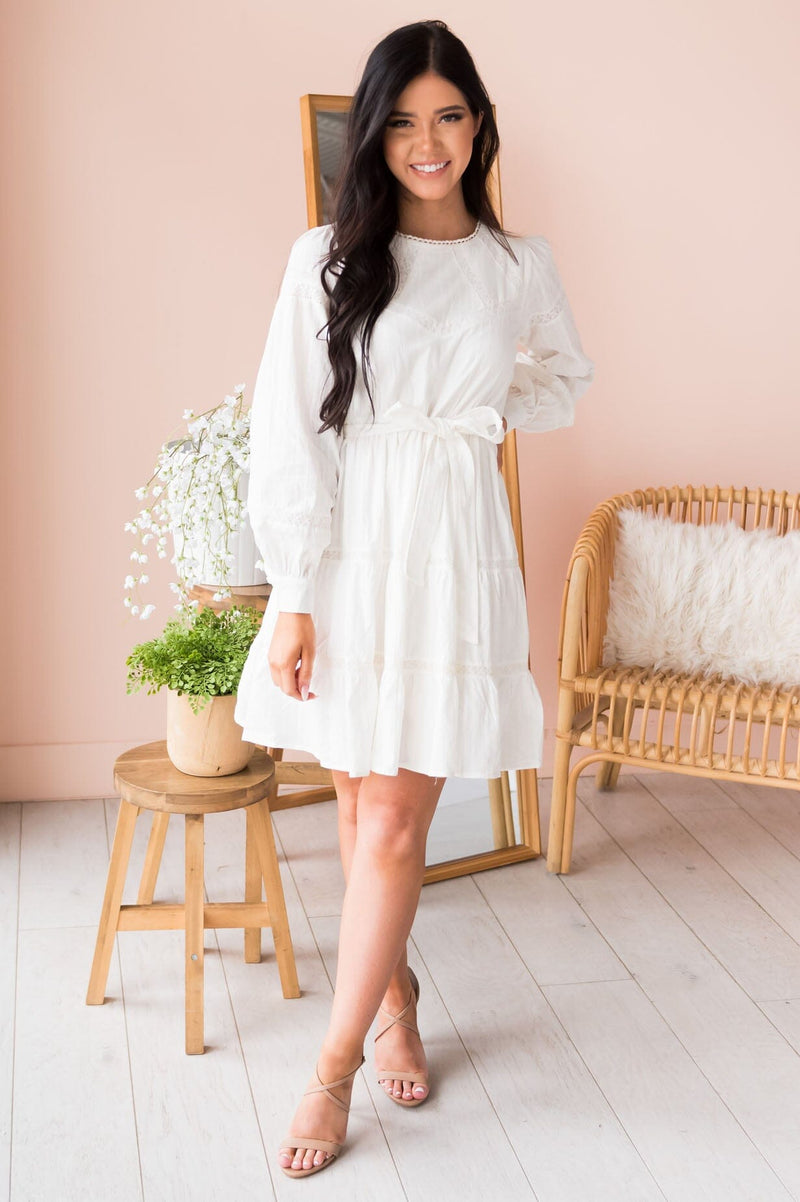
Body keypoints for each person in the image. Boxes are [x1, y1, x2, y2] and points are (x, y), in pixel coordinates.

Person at [233, 18, 595, 1181]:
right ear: (372, 134)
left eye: (446, 116)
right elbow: (289, 425)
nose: (425, 141)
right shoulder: (326, 258)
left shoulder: (515, 264)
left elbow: (562, 380)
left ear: (477, 126)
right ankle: (392, 997)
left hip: (452, 546)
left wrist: (478, 410)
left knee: (393, 818)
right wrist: (294, 591)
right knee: (354, 801)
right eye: (399, 121)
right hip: (347, 548)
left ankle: (330, 1064)